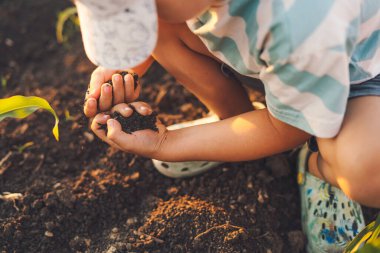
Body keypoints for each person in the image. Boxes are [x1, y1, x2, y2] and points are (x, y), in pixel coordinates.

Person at [75, 0, 380, 252]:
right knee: (165, 25)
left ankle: (318, 165)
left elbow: (287, 128)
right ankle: (233, 122)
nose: (148, 16)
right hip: (290, 61)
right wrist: (126, 65)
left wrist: (167, 143)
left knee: (367, 172)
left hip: (360, 75)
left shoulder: (298, 21)